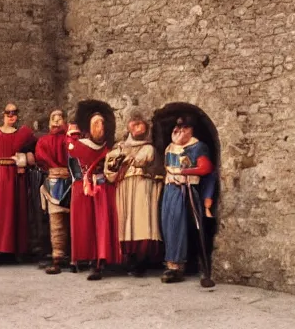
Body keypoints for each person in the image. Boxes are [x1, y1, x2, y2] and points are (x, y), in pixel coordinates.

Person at [0, 103, 37, 265]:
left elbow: (34, 146)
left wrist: (25, 157)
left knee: (13, 210)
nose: (11, 116)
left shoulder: (23, 134)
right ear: (3, 114)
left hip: (13, 175)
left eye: (14, 113)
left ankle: (11, 248)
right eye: (8, 113)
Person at [105, 109, 163, 277]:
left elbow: (154, 166)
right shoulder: (119, 147)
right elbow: (110, 168)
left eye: (141, 124)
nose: (137, 128)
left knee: (142, 222)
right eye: (134, 124)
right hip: (123, 186)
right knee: (125, 222)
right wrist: (116, 166)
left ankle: (142, 261)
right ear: (128, 126)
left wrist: (134, 161)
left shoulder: (149, 148)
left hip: (143, 186)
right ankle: (127, 259)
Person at [159, 115, 215, 285]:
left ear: (191, 130)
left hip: (186, 189)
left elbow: (206, 168)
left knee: (178, 225)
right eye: (178, 129)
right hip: (170, 189)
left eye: (185, 129)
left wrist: (184, 173)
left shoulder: (198, 147)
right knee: (167, 225)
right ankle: (170, 262)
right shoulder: (170, 147)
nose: (181, 132)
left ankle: (178, 265)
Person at [67, 112, 117, 280]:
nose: (100, 128)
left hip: (102, 188)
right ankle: (86, 257)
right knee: (85, 224)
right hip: (83, 188)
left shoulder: (109, 147)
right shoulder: (77, 146)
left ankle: (99, 260)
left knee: (101, 224)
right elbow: (73, 167)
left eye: (102, 124)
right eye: (96, 124)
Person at [33, 109, 72, 274]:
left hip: (71, 180)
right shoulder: (44, 141)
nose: (56, 122)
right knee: (56, 223)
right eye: (53, 118)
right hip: (55, 181)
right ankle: (58, 257)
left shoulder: (69, 139)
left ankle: (74, 256)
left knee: (73, 221)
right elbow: (41, 158)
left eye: (59, 118)